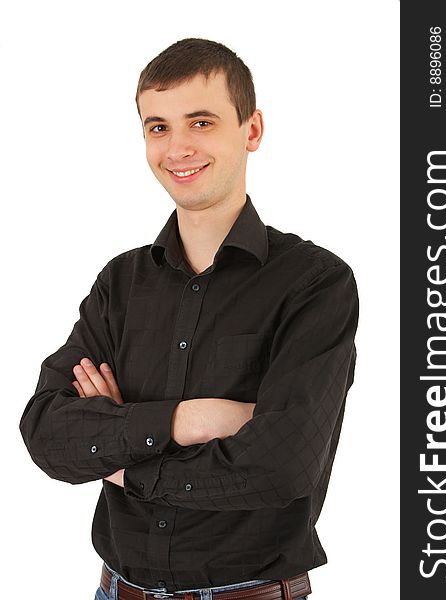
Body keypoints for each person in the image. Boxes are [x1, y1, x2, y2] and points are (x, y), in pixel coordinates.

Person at [19, 38, 359, 600]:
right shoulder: (120, 283)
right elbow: (46, 433)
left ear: (251, 131)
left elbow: (281, 467)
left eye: (200, 122)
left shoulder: (315, 284)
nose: (177, 148)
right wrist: (188, 421)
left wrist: (122, 457)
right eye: (158, 127)